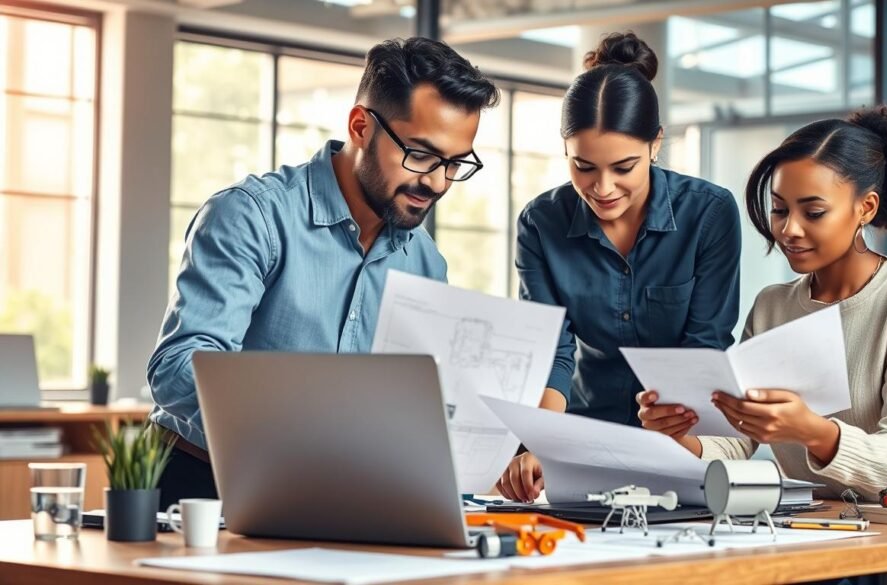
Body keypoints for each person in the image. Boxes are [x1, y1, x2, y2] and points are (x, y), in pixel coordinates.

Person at [148, 37, 499, 508]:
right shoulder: (252, 217)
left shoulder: (425, 261)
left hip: (333, 493)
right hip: (201, 485)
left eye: (455, 164)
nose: (436, 182)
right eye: (420, 155)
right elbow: (177, 367)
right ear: (360, 126)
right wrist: (306, 422)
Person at [638, 106, 887, 584]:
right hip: (823, 528)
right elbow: (737, 442)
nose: (789, 229)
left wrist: (815, 431)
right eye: (780, 209)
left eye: (813, 212)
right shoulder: (773, 305)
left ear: (867, 208)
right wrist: (681, 438)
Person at [497, 32, 741, 503]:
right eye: (583, 166)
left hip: (679, 440)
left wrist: (667, 435)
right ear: (565, 150)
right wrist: (542, 444)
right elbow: (553, 349)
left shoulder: (709, 214)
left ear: (655, 145)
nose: (603, 187)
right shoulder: (541, 222)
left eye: (624, 167)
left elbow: (705, 343)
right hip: (582, 441)